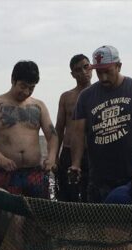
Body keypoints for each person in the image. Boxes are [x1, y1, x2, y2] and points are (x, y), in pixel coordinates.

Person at [70, 45, 132, 202]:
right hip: (98, 177)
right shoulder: (85, 96)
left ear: (119, 66)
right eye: (99, 72)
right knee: (97, 215)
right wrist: (76, 164)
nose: (103, 77)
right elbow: (78, 133)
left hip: (129, 174)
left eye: (107, 71)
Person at [0, 61, 59, 199]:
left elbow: (52, 135)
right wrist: (0, 158)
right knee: (4, 210)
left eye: (31, 88)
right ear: (13, 80)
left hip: (35, 173)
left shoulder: (39, 105)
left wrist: (51, 157)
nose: (26, 92)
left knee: (38, 210)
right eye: (23, 86)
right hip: (7, 173)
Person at [55, 54, 93, 202]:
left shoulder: (99, 94)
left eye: (86, 67)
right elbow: (59, 128)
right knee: (66, 194)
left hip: (92, 152)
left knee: (90, 194)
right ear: (73, 74)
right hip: (68, 151)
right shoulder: (67, 97)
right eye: (78, 70)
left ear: (91, 67)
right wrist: (54, 156)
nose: (83, 72)